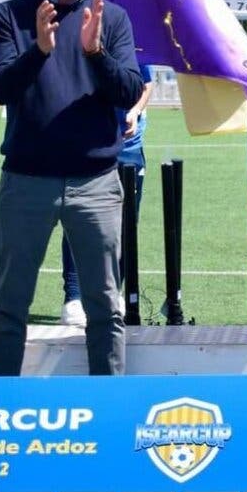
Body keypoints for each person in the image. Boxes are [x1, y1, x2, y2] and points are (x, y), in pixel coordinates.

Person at [0, 0, 145, 375]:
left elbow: (129, 91)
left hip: (95, 185)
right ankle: (0, 405)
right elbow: (1, 88)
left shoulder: (110, 19)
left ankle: (107, 405)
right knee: (9, 307)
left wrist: (95, 53)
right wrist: (38, 49)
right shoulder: (10, 17)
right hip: (25, 184)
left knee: (105, 309)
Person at [58, 64, 153, 327]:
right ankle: (75, 297)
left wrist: (135, 110)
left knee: (124, 227)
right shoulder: (80, 36)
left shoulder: (134, 38)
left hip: (129, 149)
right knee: (79, 221)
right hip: (87, 147)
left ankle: (114, 293)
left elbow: (146, 84)